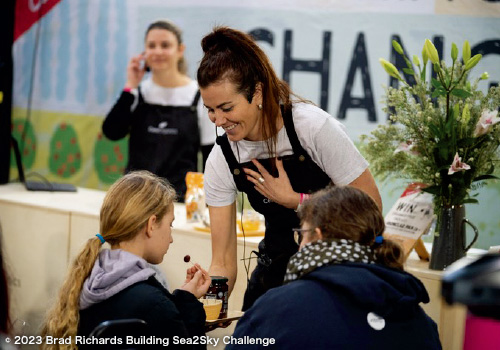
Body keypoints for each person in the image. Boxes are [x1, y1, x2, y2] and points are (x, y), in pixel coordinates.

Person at [197, 26, 382, 310]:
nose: (218, 121)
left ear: (256, 92)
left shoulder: (312, 127)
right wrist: (212, 306)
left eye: (226, 107)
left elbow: (370, 207)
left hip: (336, 277)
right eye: (211, 110)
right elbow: (221, 262)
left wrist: (297, 202)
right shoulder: (221, 158)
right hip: (273, 280)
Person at [227, 186, 442, 350]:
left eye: (300, 234)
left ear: (317, 236)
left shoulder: (275, 310)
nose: (298, 244)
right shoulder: (418, 317)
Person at [40, 171, 211, 350]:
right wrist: (190, 309)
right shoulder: (154, 307)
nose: (171, 238)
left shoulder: (82, 285)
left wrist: (183, 298)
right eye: (170, 225)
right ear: (151, 225)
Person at [102, 20, 215, 201]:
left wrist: (208, 205)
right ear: (144, 52)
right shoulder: (137, 94)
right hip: (134, 202)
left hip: (179, 203)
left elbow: (211, 157)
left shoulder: (200, 96)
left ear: (180, 50)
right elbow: (112, 132)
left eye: (165, 45)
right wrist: (130, 86)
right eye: (152, 46)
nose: (158, 51)